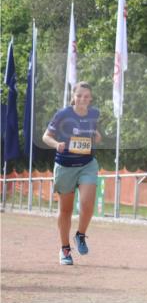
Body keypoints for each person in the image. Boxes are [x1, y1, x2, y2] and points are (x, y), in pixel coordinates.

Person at [41, 82, 103, 266]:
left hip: (87, 164)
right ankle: (65, 249)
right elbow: (46, 136)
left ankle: (81, 234)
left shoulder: (94, 114)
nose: (82, 99)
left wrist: (97, 136)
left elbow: (93, 131)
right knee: (66, 210)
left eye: (86, 96)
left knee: (87, 203)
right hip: (65, 165)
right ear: (73, 97)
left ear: (90, 99)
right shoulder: (63, 114)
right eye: (79, 96)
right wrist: (56, 144)